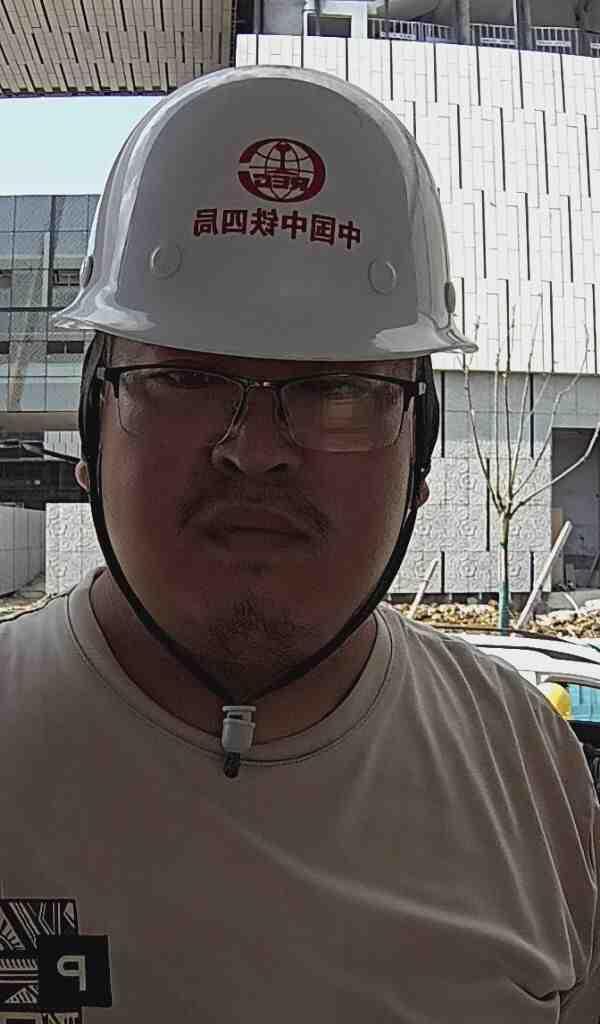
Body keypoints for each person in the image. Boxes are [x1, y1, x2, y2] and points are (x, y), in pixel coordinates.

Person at [1, 65, 598, 1023]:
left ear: (420, 449)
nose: (254, 450)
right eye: (187, 379)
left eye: (337, 390)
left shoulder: (526, 766)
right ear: (93, 425)